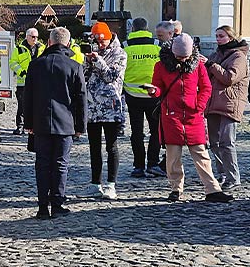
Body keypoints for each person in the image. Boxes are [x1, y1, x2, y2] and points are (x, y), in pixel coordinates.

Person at [148, 34, 232, 203]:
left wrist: (199, 106)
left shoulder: (198, 66)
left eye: (185, 57)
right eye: (180, 56)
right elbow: (158, 88)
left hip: (193, 116)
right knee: (173, 157)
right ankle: (176, 189)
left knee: (202, 155)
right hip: (171, 116)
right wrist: (153, 91)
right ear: (172, 53)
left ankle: (212, 190)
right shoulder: (161, 66)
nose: (183, 60)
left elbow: (206, 87)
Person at [23, 26, 86, 219]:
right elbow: (81, 99)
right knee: (60, 164)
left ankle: (42, 207)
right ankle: (57, 204)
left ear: (49, 42)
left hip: (40, 122)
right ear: (68, 44)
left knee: (42, 164)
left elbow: (28, 96)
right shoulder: (74, 66)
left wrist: (28, 123)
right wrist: (80, 127)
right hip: (65, 123)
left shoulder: (35, 65)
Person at [201, 25, 249, 190]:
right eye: (217, 36)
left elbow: (230, 78)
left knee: (227, 142)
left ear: (231, 37)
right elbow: (208, 77)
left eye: (221, 36)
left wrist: (211, 65)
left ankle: (233, 177)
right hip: (213, 102)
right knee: (214, 142)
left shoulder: (239, 57)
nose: (218, 39)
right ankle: (222, 173)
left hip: (230, 103)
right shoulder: (216, 54)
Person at [83, 21, 127, 199]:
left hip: (111, 107)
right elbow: (84, 76)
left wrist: (98, 61)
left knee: (111, 146)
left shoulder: (120, 53)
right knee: (94, 147)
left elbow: (111, 76)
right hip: (92, 106)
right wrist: (87, 62)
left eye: (103, 42)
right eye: (97, 42)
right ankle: (95, 183)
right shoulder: (92, 52)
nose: (100, 45)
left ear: (110, 38)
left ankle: (111, 184)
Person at [123, 17, 163, 178]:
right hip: (154, 95)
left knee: (136, 132)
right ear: (147, 28)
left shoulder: (125, 47)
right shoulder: (157, 46)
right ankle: (153, 163)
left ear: (132, 28)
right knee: (155, 131)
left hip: (133, 96)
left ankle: (138, 166)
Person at [10, 28, 44, 134]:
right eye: (33, 37)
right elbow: (13, 63)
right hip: (23, 82)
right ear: (27, 36)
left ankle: (35, 126)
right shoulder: (19, 49)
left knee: (38, 105)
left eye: (36, 37)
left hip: (39, 82)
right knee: (22, 105)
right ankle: (20, 126)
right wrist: (22, 72)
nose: (35, 39)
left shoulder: (42, 48)